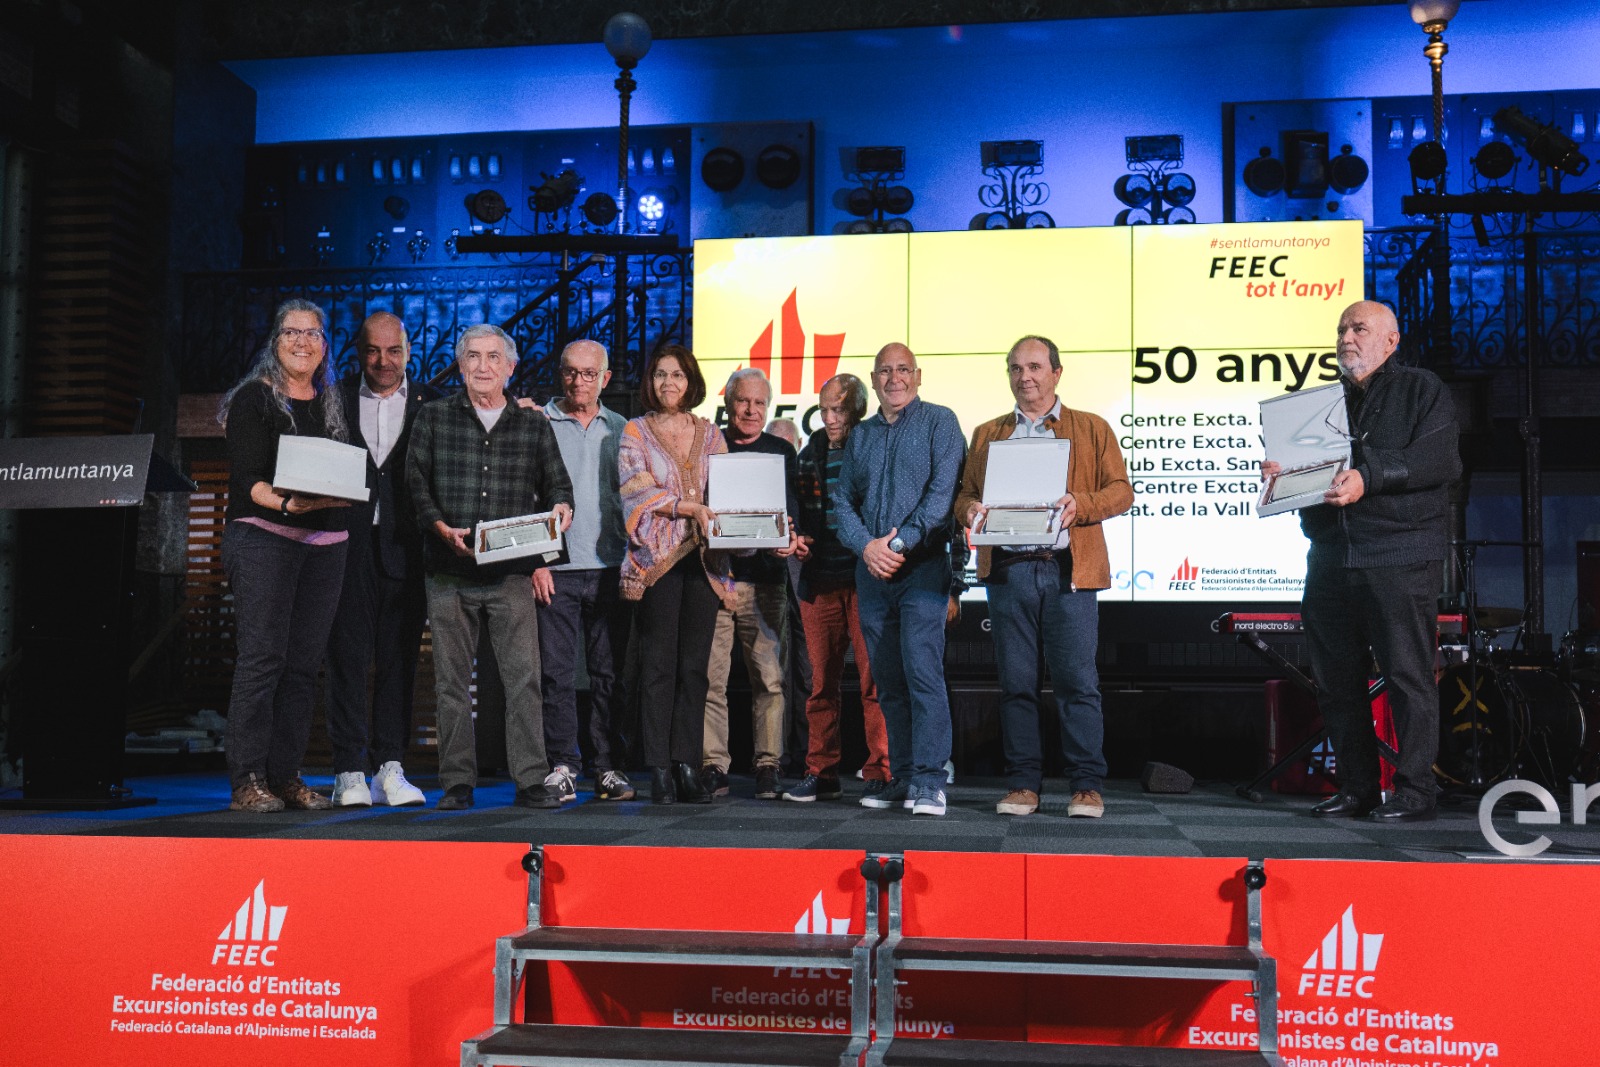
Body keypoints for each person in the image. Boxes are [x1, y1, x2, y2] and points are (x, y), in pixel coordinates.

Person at [1263, 300, 1459, 823]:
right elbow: (1314, 472)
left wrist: (1368, 478)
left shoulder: (1422, 389)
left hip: (1398, 554)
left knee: (1407, 677)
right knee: (1336, 682)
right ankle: (1358, 788)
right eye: (1341, 329)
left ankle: (1416, 792)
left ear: (1392, 341)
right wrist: (1285, 476)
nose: (1346, 338)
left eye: (1359, 328)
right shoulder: (1322, 402)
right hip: (1331, 556)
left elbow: (1438, 460)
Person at [954, 335, 1133, 819]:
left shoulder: (1091, 428)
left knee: (1077, 684)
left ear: (1056, 372)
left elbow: (1122, 491)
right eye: (1016, 368)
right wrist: (969, 509)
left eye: (1034, 367)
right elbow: (965, 495)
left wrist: (1082, 504)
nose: (1025, 377)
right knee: (1016, 685)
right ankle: (1022, 785)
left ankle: (1086, 787)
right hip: (1008, 573)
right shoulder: (987, 433)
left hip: (1068, 572)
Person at [407, 324, 574, 810]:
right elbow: (415, 483)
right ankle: (457, 783)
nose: (483, 366)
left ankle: (531, 779)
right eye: (473, 357)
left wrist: (562, 510)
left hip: (511, 573)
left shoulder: (533, 426)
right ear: (461, 365)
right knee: (451, 684)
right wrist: (440, 527)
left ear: (510, 367)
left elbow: (559, 486)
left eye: (493, 357)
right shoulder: (433, 417)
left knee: (524, 681)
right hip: (448, 570)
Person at [218, 298, 351, 813]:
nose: (302, 341)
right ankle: (247, 779)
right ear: (275, 341)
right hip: (264, 537)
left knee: (302, 666)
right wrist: (289, 504)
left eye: (312, 333)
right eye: (292, 332)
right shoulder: (254, 398)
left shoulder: (333, 400)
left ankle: (285, 775)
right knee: (263, 659)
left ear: (325, 344)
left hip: (325, 546)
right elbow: (248, 479)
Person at [834, 343, 966, 816]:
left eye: (903, 369)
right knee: (888, 681)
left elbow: (942, 497)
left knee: (922, 675)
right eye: (886, 371)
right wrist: (866, 547)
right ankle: (904, 777)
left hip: (924, 570)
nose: (895, 378)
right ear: (874, 380)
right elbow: (842, 501)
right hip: (872, 574)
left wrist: (897, 545)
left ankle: (931, 781)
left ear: (918, 375)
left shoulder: (941, 422)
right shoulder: (862, 436)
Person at [619, 344, 735, 805]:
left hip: (706, 563)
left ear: (692, 382)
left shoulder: (712, 435)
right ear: (651, 381)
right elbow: (636, 491)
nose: (670, 383)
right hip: (657, 564)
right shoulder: (635, 431)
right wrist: (689, 507)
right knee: (658, 668)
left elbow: (727, 493)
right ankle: (660, 769)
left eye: (679, 375)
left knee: (695, 669)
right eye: (661, 375)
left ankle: (687, 764)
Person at [325, 312, 430, 808]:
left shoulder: (432, 403)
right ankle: (348, 770)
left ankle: (390, 767)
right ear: (358, 352)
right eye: (373, 350)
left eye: (393, 351)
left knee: (399, 661)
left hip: (407, 548)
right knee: (346, 658)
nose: (383, 361)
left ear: (407, 351)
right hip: (346, 544)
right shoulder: (333, 398)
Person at [533, 339, 635, 802]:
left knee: (607, 675)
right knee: (556, 674)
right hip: (557, 567)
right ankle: (563, 764)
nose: (579, 381)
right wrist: (537, 561)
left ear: (606, 379)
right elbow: (527, 495)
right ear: (561, 373)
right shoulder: (539, 422)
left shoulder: (623, 429)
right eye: (571, 372)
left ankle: (607, 767)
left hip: (611, 566)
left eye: (590, 373)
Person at [784, 373, 890, 803]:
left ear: (858, 410)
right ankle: (821, 772)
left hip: (867, 581)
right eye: (825, 409)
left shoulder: (874, 448)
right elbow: (797, 513)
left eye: (839, 410)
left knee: (874, 683)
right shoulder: (809, 452)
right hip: (820, 581)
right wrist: (797, 537)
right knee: (820, 684)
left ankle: (881, 771)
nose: (829, 418)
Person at [701, 368, 799, 800]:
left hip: (766, 583)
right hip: (717, 580)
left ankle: (768, 765)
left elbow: (792, 511)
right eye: (743, 400)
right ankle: (713, 766)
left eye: (760, 403)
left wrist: (789, 538)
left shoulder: (781, 451)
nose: (751, 410)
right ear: (729, 403)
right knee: (712, 681)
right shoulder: (711, 446)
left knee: (770, 680)